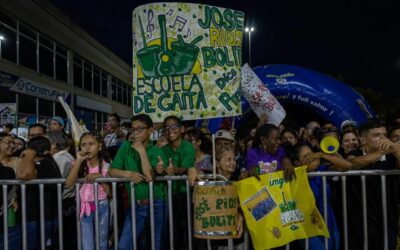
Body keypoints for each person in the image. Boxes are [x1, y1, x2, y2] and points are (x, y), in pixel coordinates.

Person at [109, 114, 167, 250]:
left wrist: (141, 151)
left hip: (157, 202)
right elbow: (112, 171)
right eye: (134, 129)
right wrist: (127, 173)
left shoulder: (156, 150)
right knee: (124, 244)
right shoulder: (125, 147)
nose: (136, 133)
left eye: (140, 129)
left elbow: (150, 177)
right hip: (136, 204)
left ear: (151, 130)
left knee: (156, 243)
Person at [346, 120, 400, 250]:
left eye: (384, 135)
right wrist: (382, 152)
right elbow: (352, 164)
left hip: (388, 216)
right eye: (377, 135)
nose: (383, 139)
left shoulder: (392, 156)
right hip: (360, 217)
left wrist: (395, 151)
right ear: (363, 140)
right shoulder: (355, 154)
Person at [65, 132, 110, 250]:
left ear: (99, 147)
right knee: (87, 243)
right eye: (83, 145)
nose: (87, 147)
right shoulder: (77, 164)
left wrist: (100, 178)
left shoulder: (106, 166)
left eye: (91, 144)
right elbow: (69, 184)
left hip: (102, 206)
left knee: (101, 241)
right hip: (85, 207)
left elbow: (109, 192)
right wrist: (79, 161)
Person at [16, 136, 62, 249]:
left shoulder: (43, 164)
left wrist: (30, 154)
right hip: (40, 219)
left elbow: (23, 175)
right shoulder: (48, 162)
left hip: (39, 220)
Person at [161, 115, 197, 250]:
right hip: (169, 196)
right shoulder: (163, 150)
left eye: (173, 126)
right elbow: (160, 169)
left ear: (182, 129)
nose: (170, 130)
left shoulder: (188, 147)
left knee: (189, 228)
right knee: (172, 230)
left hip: (186, 194)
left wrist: (173, 170)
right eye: (166, 127)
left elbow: (186, 168)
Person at [46, 130, 76, 250]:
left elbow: (57, 180)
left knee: (62, 239)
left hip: (64, 203)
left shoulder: (61, 159)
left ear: (53, 144)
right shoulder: (63, 157)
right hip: (64, 202)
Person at [212, 147, 244, 250]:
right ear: (217, 163)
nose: (233, 163)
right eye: (228, 160)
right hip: (216, 237)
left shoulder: (239, 180)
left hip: (237, 236)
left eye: (234, 159)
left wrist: (240, 215)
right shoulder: (209, 181)